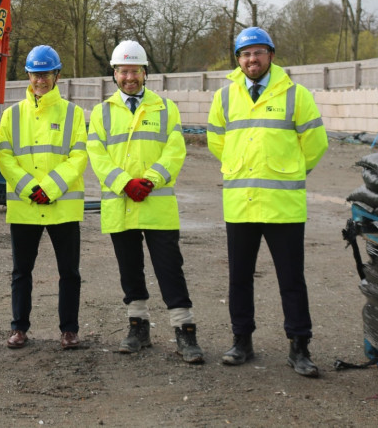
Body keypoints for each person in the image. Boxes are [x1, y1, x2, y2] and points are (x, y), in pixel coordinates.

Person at [207, 27, 328, 377]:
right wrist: (235, 167)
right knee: (239, 278)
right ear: (238, 60)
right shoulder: (225, 97)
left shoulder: (296, 94)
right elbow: (217, 142)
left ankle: (299, 347)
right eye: (245, 54)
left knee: (291, 279)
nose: (252, 59)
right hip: (241, 203)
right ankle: (241, 341)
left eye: (258, 52)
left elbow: (316, 143)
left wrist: (289, 170)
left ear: (271, 55)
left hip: (283, 205)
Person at [87, 40, 205, 364]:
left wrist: (150, 180)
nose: (129, 77)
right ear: (114, 73)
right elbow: (96, 155)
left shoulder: (165, 108)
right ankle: (137, 327)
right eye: (123, 71)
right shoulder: (102, 112)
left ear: (144, 73)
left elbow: (175, 150)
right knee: (130, 271)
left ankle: (185, 332)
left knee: (170, 269)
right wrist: (125, 183)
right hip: (121, 205)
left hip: (156, 204)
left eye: (135, 71)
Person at [0, 45, 87, 350]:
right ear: (28, 76)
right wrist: (28, 188)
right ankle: (19, 328)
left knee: (69, 272)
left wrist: (49, 188)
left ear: (57, 75)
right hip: (25, 206)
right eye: (36, 74)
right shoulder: (11, 115)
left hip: (62, 206)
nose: (41, 80)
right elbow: (5, 156)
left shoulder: (73, 113)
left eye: (46, 74)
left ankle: (69, 330)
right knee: (22, 271)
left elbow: (78, 155)